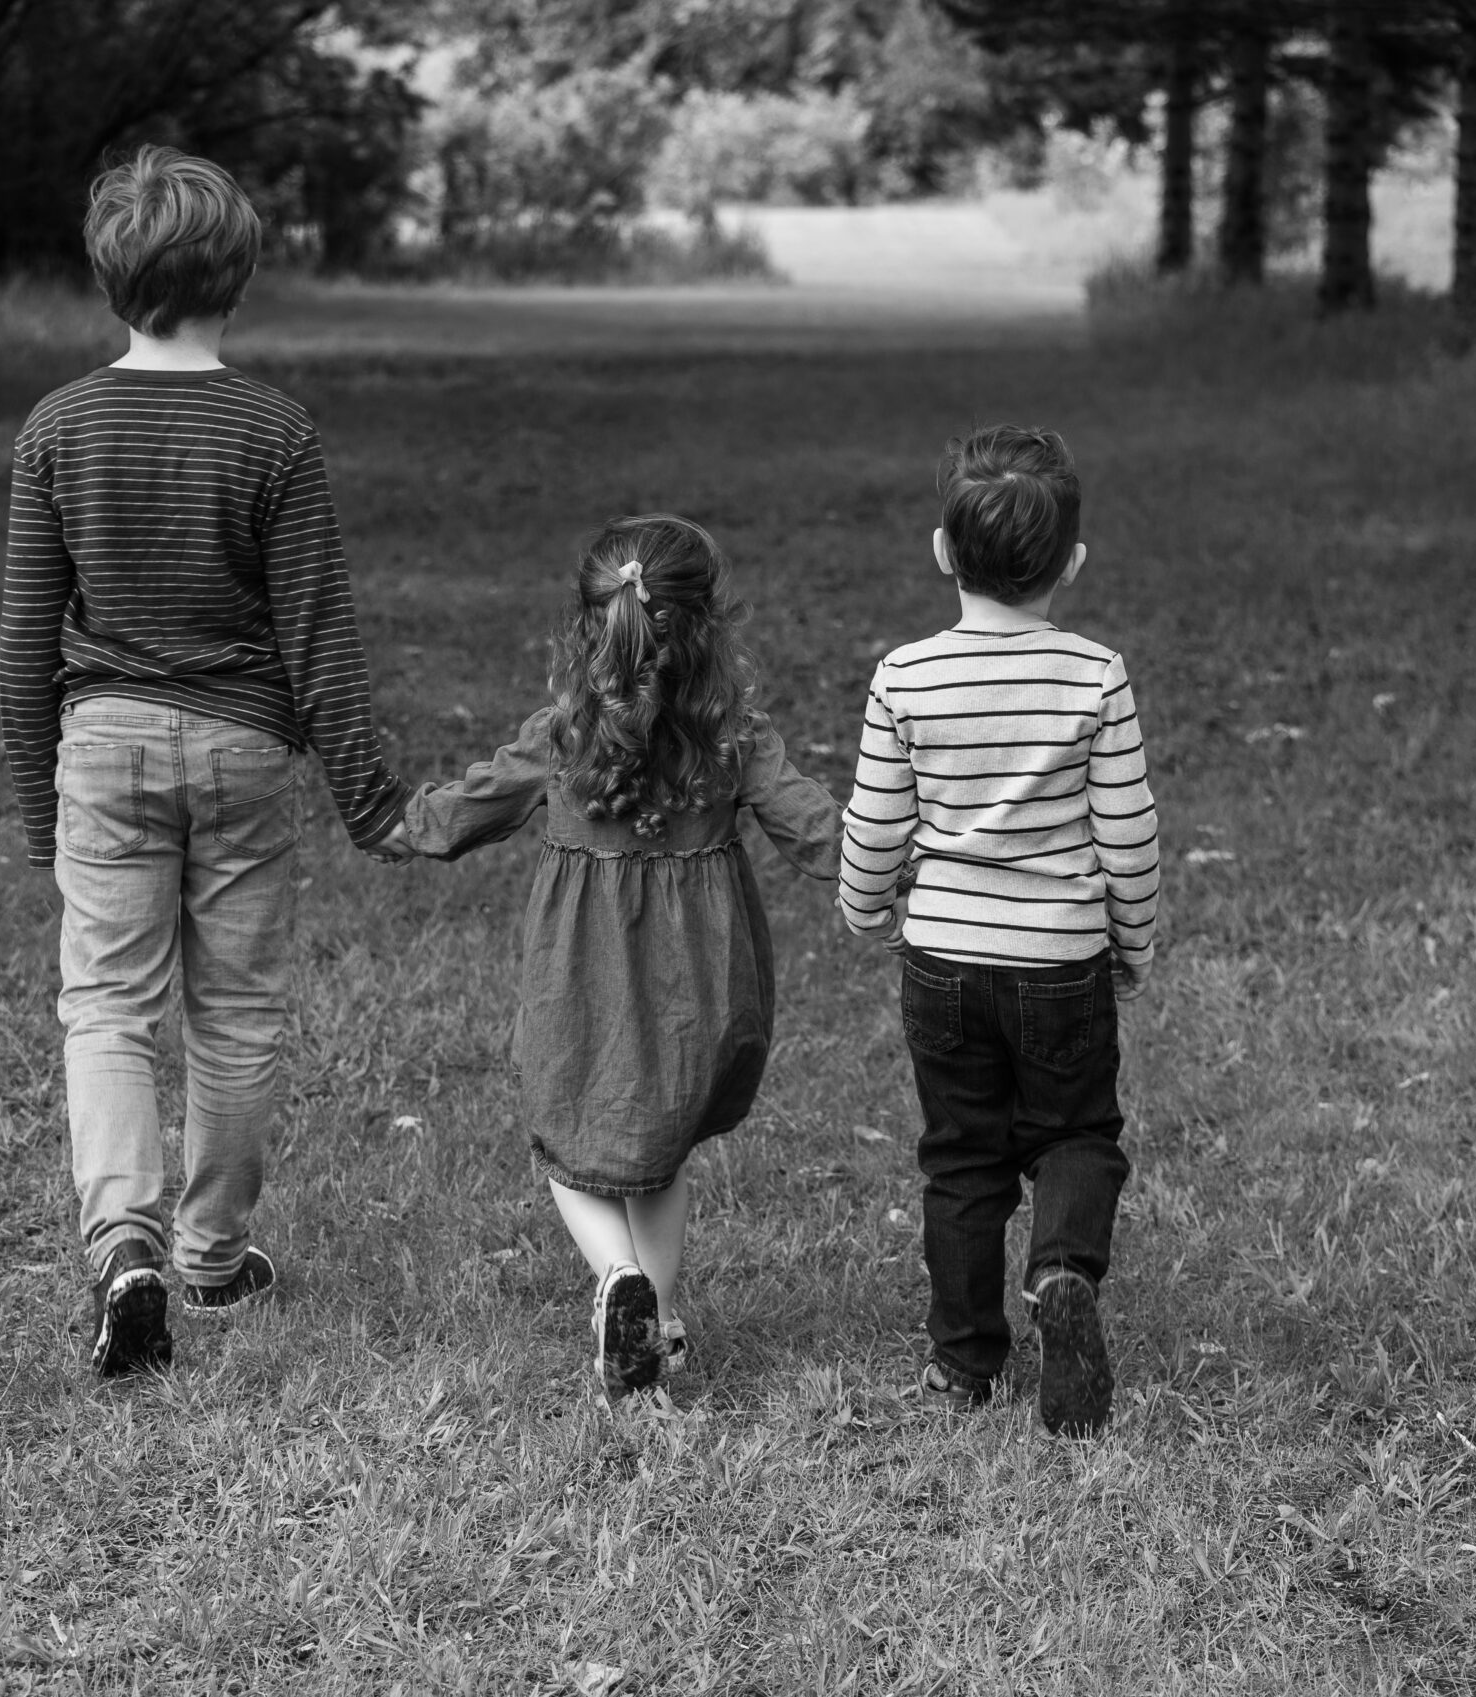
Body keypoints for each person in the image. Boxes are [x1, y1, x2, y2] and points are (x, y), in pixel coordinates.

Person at [0, 145, 409, 1378]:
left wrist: (38, 807)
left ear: (109, 276)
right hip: (241, 750)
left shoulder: (58, 426)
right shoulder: (274, 430)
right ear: (239, 276)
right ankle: (212, 1255)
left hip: (104, 748)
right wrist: (369, 798)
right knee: (235, 1012)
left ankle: (123, 1250)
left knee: (109, 1007)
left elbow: (26, 642)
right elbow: (317, 631)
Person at [396, 514, 842, 1399]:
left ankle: (617, 1277)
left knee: (567, 1139)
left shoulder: (563, 734)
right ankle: (656, 1323)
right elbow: (815, 826)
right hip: (699, 986)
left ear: (589, 626)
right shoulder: (733, 735)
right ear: (707, 626)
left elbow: (471, 806)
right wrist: (900, 865)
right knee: (662, 1150)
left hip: (582, 978)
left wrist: (399, 824)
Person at [839, 425, 1161, 1437]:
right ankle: (1062, 1270)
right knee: (1075, 1134)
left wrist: (862, 905)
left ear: (943, 551)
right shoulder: (1094, 675)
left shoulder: (905, 676)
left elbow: (875, 822)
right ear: (1073, 563)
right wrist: (1133, 941)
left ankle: (964, 1361)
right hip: (1061, 960)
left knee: (962, 1158)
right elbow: (1128, 832)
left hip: (942, 958)